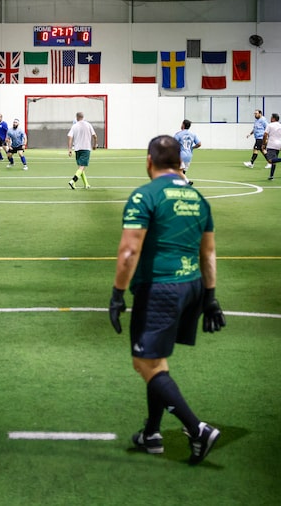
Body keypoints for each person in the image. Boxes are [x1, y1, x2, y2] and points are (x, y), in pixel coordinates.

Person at [109, 135, 226, 466]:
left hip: (160, 288)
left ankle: (197, 429)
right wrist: (210, 297)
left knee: (144, 363)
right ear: (180, 162)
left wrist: (117, 294)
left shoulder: (145, 195)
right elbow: (208, 253)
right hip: (192, 287)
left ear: (149, 161)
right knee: (157, 361)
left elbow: (129, 251)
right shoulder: (197, 198)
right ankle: (152, 434)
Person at [66, 112, 97, 189]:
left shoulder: (74, 126)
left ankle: (86, 184)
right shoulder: (88, 125)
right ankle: (73, 181)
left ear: (77, 117)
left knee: (80, 167)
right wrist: (94, 145)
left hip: (77, 149)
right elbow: (95, 136)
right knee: (82, 167)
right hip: (86, 148)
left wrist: (69, 149)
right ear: (83, 117)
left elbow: (70, 137)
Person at [262, 113, 281, 181]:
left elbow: (265, 134)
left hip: (271, 144)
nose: (270, 119)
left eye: (271, 117)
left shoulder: (270, 125)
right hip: (279, 144)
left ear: (273, 118)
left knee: (270, 160)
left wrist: (263, 144)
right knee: (274, 160)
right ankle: (271, 176)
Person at [173, 119, 201, 185]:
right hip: (189, 155)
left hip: (181, 155)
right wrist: (192, 148)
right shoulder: (193, 134)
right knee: (182, 172)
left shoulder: (178, 134)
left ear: (183, 125)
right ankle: (182, 184)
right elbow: (199, 144)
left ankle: (187, 182)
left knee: (177, 171)